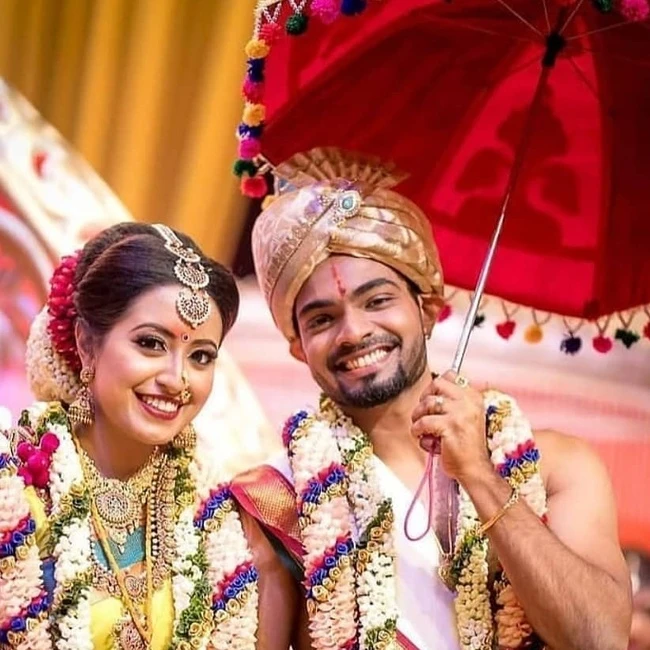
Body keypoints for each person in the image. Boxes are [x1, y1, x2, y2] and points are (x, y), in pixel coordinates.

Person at [249, 147, 632, 650]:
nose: (354, 332)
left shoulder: (558, 467)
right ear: (299, 347)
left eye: (377, 300)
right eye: (322, 319)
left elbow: (600, 639)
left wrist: (478, 474)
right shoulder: (281, 500)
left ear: (427, 310)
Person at [0, 222, 310, 650]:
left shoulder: (222, 524)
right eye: (150, 343)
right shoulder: (16, 485)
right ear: (86, 344)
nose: (176, 378)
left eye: (200, 356)